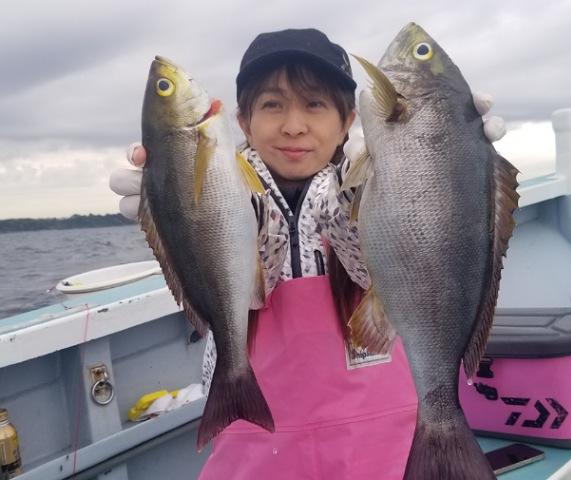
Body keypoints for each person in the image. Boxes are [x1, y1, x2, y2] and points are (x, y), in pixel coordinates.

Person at [110, 27, 506, 479]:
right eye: (272, 105)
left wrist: (451, 163)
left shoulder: (373, 189)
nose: (294, 125)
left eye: (315, 104)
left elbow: (365, 248)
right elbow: (254, 265)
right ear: (242, 122)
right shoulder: (227, 199)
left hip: (385, 454)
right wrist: (175, 202)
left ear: (348, 121)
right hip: (257, 454)